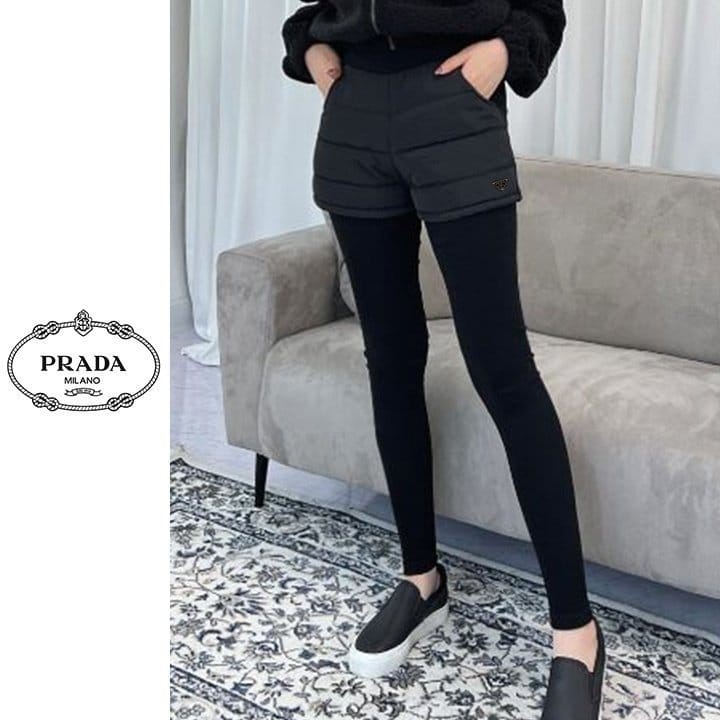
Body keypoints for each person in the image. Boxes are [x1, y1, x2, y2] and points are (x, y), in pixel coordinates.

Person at [281, 2, 606, 718]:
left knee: (503, 370)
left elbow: (541, 7)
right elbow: (321, 11)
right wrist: (310, 48)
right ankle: (421, 580)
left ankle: (576, 633)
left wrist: (506, 50)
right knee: (390, 359)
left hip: (452, 102)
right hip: (354, 118)